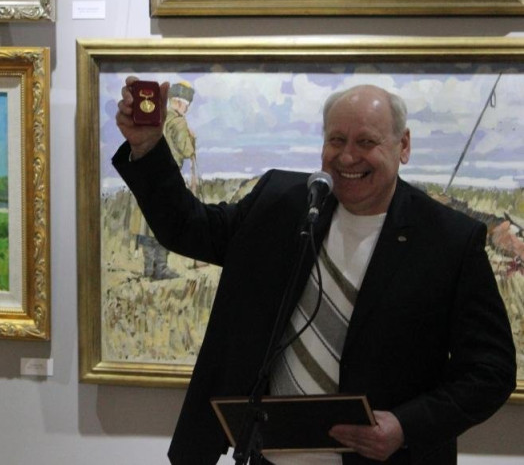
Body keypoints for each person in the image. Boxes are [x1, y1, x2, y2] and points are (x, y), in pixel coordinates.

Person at [113, 78, 516, 465]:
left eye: (366, 142)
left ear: (403, 145)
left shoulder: (449, 240)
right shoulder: (282, 203)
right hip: (269, 458)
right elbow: (189, 228)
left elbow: (491, 371)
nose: (347, 157)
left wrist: (405, 426)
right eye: (336, 140)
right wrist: (147, 148)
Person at [128, 81, 201, 279]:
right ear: (179, 102)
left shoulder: (156, 117)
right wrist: (192, 138)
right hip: (167, 179)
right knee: (164, 223)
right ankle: (160, 269)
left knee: (147, 223)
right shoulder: (178, 122)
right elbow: (187, 150)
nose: (187, 109)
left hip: (148, 177)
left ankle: (148, 269)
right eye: (186, 105)